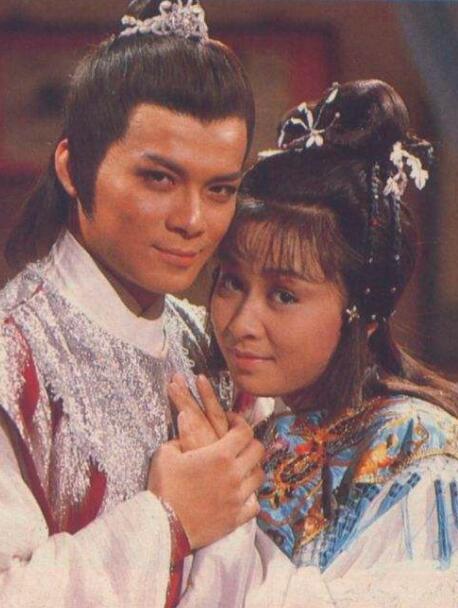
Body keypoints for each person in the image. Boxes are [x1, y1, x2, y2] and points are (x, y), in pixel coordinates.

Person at [0, 1, 265, 606]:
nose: (192, 220)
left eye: (220, 189)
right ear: (73, 167)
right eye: (159, 179)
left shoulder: (217, 347)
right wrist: (166, 520)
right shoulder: (14, 359)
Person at [171, 80, 458, 607]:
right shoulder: (260, 421)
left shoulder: (417, 450)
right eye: (231, 282)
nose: (242, 322)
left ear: (363, 313)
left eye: (283, 295)